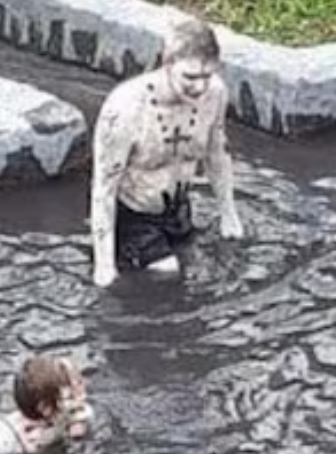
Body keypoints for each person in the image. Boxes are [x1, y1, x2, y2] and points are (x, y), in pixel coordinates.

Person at [89, 15, 244, 288]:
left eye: (207, 75)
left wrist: (228, 215)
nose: (200, 87)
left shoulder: (215, 94)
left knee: (198, 264)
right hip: (133, 212)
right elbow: (103, 187)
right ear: (167, 63)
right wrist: (104, 267)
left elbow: (217, 153)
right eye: (190, 77)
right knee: (167, 278)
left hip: (177, 209)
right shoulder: (125, 109)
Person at [0, 355, 92, 454]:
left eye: (80, 384)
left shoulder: (66, 413)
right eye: (71, 396)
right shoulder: (32, 438)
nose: (82, 396)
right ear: (46, 408)